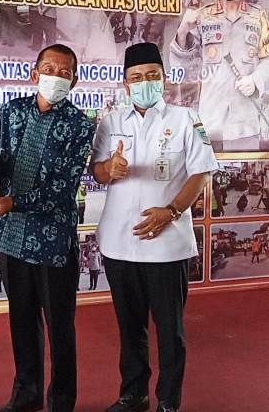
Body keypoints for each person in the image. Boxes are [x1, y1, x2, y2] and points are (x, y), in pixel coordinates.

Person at [91, 42, 217, 412]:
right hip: (119, 244)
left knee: (169, 329)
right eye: (136, 77)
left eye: (152, 75)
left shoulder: (186, 118)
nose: (144, 82)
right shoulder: (111, 121)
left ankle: (168, 400)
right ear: (125, 83)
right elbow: (96, 171)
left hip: (167, 244)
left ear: (163, 79)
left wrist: (172, 210)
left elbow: (202, 173)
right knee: (130, 327)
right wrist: (108, 169)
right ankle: (133, 394)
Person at [0, 44, 95, 412]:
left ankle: (61, 400)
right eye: (49, 69)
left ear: (74, 81)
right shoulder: (11, 111)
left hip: (52, 239)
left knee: (59, 325)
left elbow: (64, 186)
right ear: (35, 73)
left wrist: (14, 201)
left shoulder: (80, 125)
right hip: (10, 233)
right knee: (21, 319)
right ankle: (26, 394)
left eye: (64, 72)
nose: (56, 77)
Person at [170, 0, 269, 151]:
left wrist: (256, 80)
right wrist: (183, 31)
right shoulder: (201, 16)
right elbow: (183, 68)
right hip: (210, 120)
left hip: (246, 123)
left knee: (245, 168)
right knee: (207, 170)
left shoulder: (258, 16)